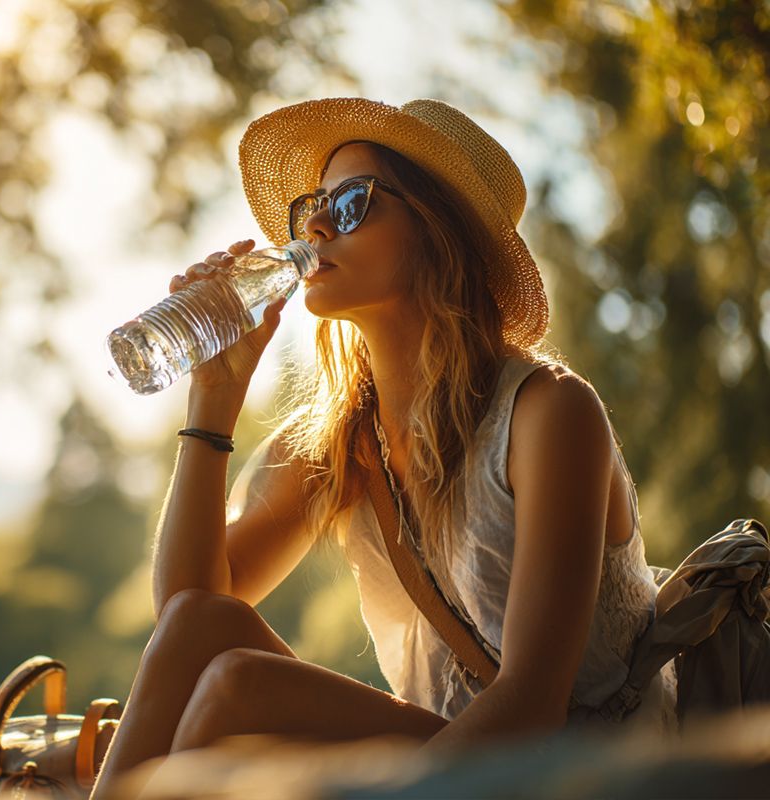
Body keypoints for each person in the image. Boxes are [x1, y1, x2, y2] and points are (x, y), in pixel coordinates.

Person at [88, 97, 676, 799]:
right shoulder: (338, 440)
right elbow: (184, 611)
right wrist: (213, 400)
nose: (313, 225)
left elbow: (532, 705)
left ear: (436, 232)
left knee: (238, 688)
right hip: (447, 757)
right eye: (313, 204)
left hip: (578, 772)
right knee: (205, 629)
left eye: (352, 203)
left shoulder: (549, 414)